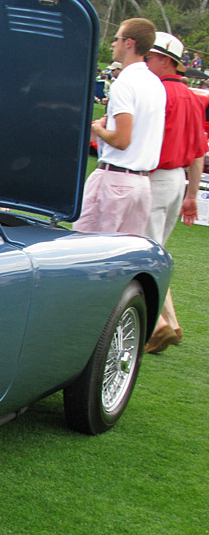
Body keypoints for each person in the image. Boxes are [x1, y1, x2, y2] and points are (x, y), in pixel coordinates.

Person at [142, 32, 207, 353]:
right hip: (176, 180)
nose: (146, 62)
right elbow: (198, 153)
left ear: (165, 60)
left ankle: (161, 325)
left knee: (146, 254)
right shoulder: (192, 98)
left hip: (154, 178)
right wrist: (191, 194)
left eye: (150, 58)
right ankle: (171, 324)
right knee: (157, 251)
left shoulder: (158, 93)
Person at [75, 18, 165, 236]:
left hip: (115, 180)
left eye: (117, 39)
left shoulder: (125, 83)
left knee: (88, 248)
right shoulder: (155, 83)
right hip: (141, 184)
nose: (113, 44)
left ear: (129, 43)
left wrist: (98, 129)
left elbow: (122, 140)